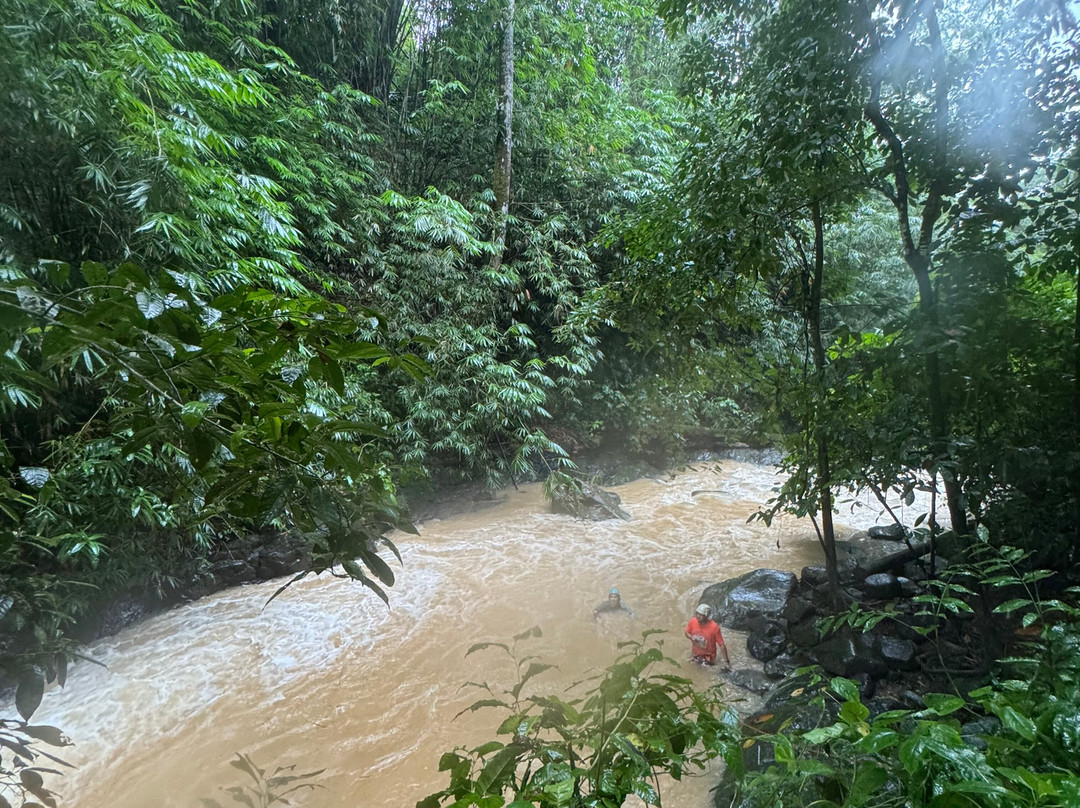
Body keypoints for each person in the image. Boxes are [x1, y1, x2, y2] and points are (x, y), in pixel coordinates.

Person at [685, 603, 730, 670]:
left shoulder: (714, 627)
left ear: (706, 616)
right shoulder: (693, 621)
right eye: (697, 613)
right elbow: (686, 633)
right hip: (695, 654)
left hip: (709, 658)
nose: (698, 616)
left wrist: (726, 662)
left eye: (701, 615)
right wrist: (691, 637)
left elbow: (721, 644)